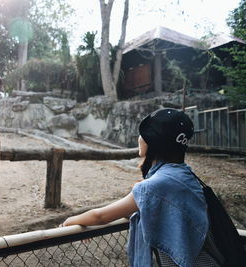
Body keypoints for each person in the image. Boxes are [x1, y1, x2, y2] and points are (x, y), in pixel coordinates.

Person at [62, 108, 223, 267]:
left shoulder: (156, 185)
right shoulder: (184, 174)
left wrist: (69, 221)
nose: (139, 138)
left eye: (144, 134)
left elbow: (100, 217)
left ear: (155, 142)